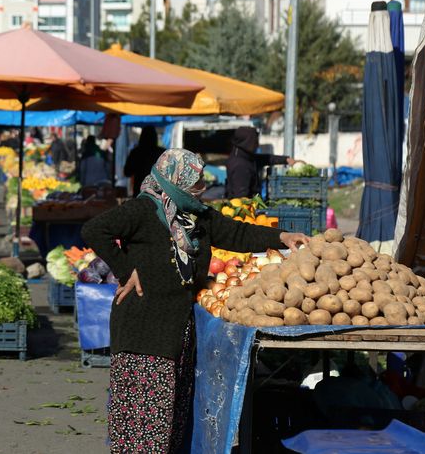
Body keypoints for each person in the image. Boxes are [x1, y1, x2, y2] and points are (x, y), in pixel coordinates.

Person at [82, 149, 307, 453]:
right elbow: (94, 229)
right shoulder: (143, 210)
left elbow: (236, 233)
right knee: (144, 426)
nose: (202, 186)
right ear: (177, 178)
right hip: (144, 333)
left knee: (171, 425)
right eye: (197, 180)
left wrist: (282, 238)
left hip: (179, 332)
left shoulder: (195, 215)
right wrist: (125, 270)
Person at [226, 126, 295, 199]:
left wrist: (285, 160)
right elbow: (241, 198)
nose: (257, 145)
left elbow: (265, 159)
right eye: (255, 142)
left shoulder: (245, 156)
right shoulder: (240, 166)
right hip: (247, 207)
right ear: (247, 142)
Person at [123, 126, 165, 195]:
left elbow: (127, 172)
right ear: (155, 137)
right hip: (158, 192)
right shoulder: (161, 153)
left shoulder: (135, 152)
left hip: (139, 191)